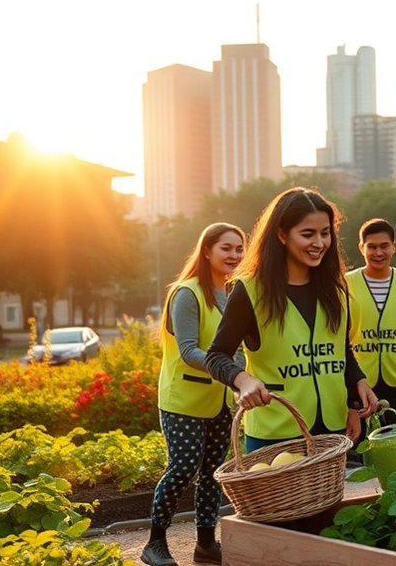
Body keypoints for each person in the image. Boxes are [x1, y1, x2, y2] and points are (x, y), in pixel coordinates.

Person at [205, 188, 377, 457]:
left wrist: (357, 395)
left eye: (325, 232)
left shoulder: (337, 289)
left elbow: (341, 352)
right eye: (307, 234)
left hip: (333, 431)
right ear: (282, 235)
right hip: (275, 435)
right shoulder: (249, 290)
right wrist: (244, 380)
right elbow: (216, 356)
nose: (319, 243)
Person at [142, 223, 246, 566]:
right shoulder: (187, 293)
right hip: (182, 400)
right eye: (226, 248)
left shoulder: (234, 294)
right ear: (206, 251)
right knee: (183, 468)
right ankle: (155, 543)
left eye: (239, 248)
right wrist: (232, 372)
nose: (234, 255)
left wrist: (243, 377)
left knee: (213, 472)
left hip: (217, 401)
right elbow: (188, 350)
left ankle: (205, 544)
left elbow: (238, 349)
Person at [346, 218, 396, 428]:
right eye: (372, 247)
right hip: (357, 378)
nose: (378, 253)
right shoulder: (345, 284)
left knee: (393, 439)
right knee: (357, 443)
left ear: (394, 247)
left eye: (384, 246)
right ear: (361, 248)